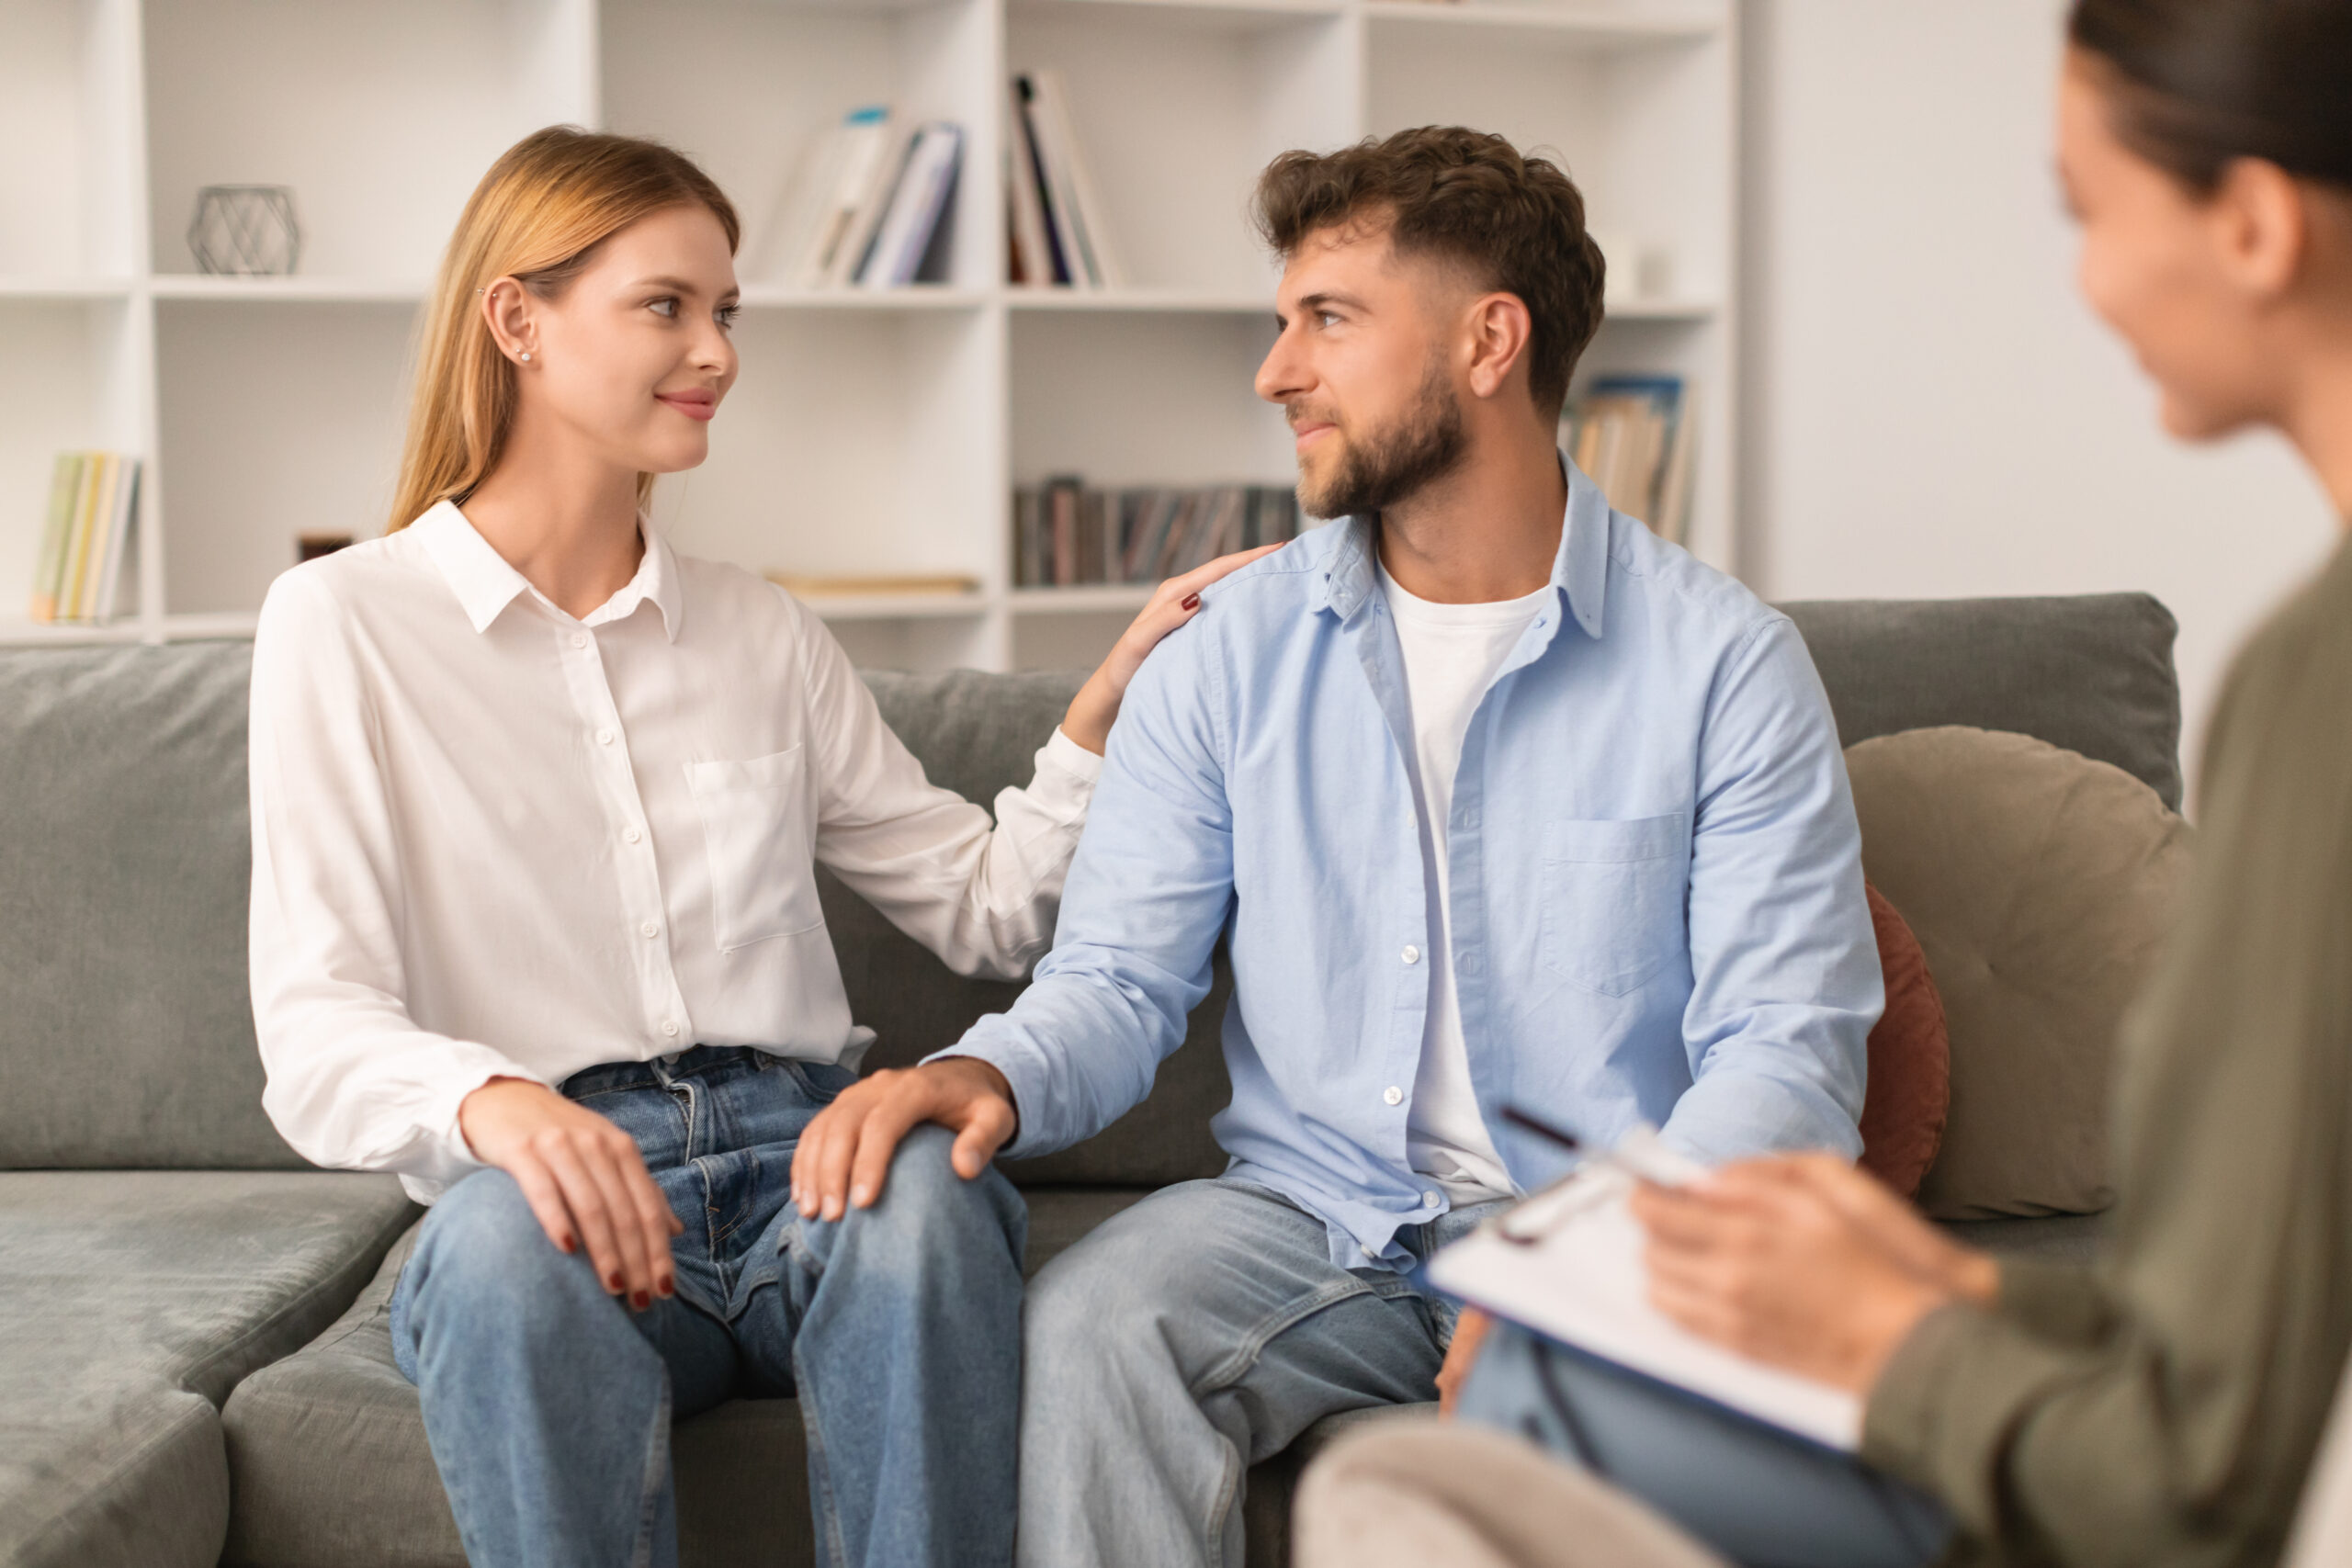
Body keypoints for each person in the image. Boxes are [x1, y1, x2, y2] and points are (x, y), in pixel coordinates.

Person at [1295, 2, 2352, 1565]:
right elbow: (2239, 1336)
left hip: (2164, 1502)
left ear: (2253, 224)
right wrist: (1960, 1293)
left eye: (2091, 212)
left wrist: (1895, 1350)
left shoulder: (2316, 692)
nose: (2085, 279)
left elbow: (2192, 1477)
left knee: (1432, 1474)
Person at [789, 125, 1886, 1568]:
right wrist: (977, 1070)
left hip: (1612, 1222)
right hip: (1310, 1219)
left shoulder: (1724, 666)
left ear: (1492, 340)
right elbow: (1118, 979)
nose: (1276, 372)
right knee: (1099, 1328)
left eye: (1330, 320)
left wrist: (1589, 1278)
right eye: (1281, 320)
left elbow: (1785, 1052)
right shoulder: (1224, 660)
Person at [246, 127, 1267, 1568]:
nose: (715, 350)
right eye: (666, 305)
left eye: (726, 312)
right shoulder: (342, 625)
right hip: (559, 1191)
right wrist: (496, 1105)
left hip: (810, 1170)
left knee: (926, 1200)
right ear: (517, 320)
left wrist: (1103, 707)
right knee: (487, 1253)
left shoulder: (762, 628)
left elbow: (986, 911)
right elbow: (314, 1023)